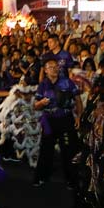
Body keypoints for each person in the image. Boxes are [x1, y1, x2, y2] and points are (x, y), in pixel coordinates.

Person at [32, 59, 82, 187]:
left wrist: (79, 116)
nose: (54, 69)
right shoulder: (43, 84)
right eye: (51, 67)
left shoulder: (67, 82)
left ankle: (72, 180)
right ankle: (42, 177)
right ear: (46, 70)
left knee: (69, 150)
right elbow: (35, 106)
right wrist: (41, 103)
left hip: (66, 119)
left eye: (56, 67)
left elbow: (78, 99)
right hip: (49, 121)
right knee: (46, 149)